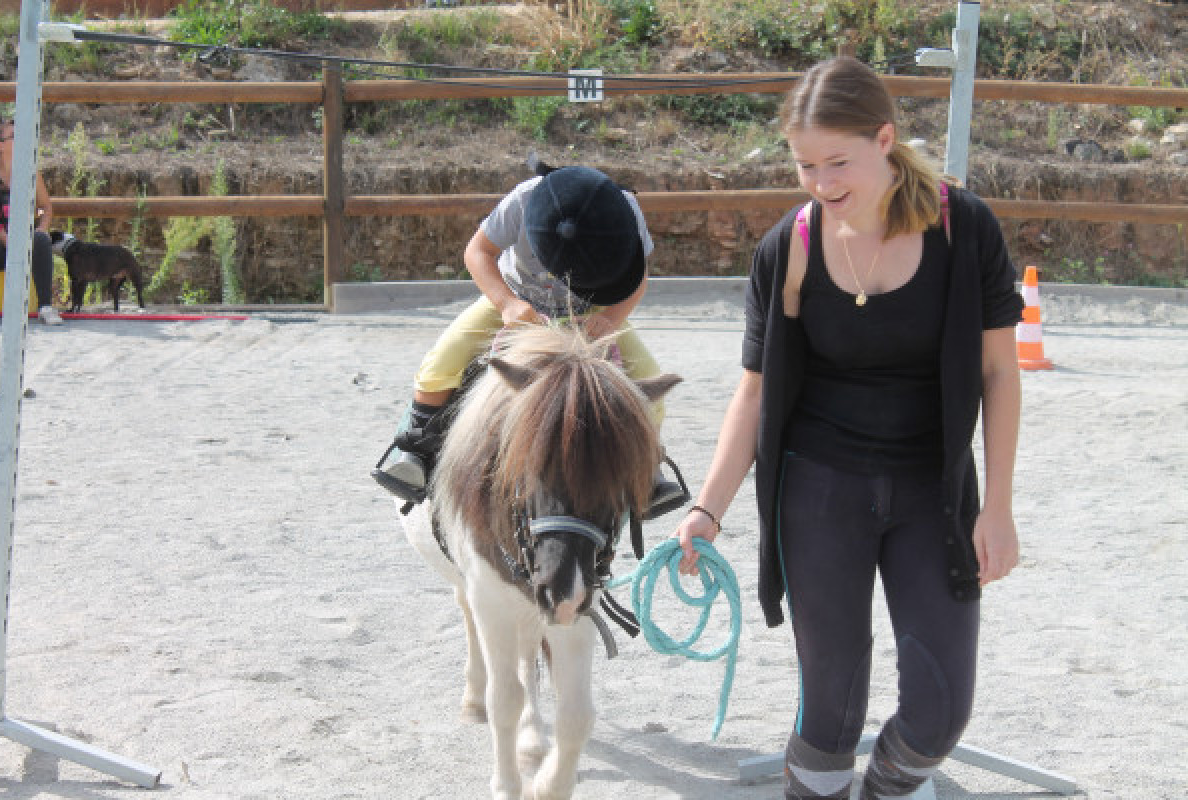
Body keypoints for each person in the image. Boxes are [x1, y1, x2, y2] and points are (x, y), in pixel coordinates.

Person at [673, 57, 1024, 800]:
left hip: (932, 489)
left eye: (839, 161)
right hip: (819, 489)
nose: (823, 181)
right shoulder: (790, 247)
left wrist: (998, 505)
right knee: (830, 713)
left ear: (886, 140)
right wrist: (708, 507)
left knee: (939, 712)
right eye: (805, 164)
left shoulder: (965, 230)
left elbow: (998, 373)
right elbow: (755, 392)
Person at [372, 163, 688, 519]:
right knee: (443, 359)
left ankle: (648, 465)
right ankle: (415, 449)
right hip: (516, 299)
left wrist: (610, 318)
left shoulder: (627, 210)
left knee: (647, 377)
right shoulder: (523, 199)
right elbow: (477, 252)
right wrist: (506, 303)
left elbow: (638, 276)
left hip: (588, 314)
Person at [0, 117, 63, 325]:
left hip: (21, 243)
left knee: (40, 240)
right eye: (14, 136)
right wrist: (8, 240)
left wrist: (42, 228)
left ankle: (45, 307)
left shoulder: (29, 171)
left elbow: (46, 207)